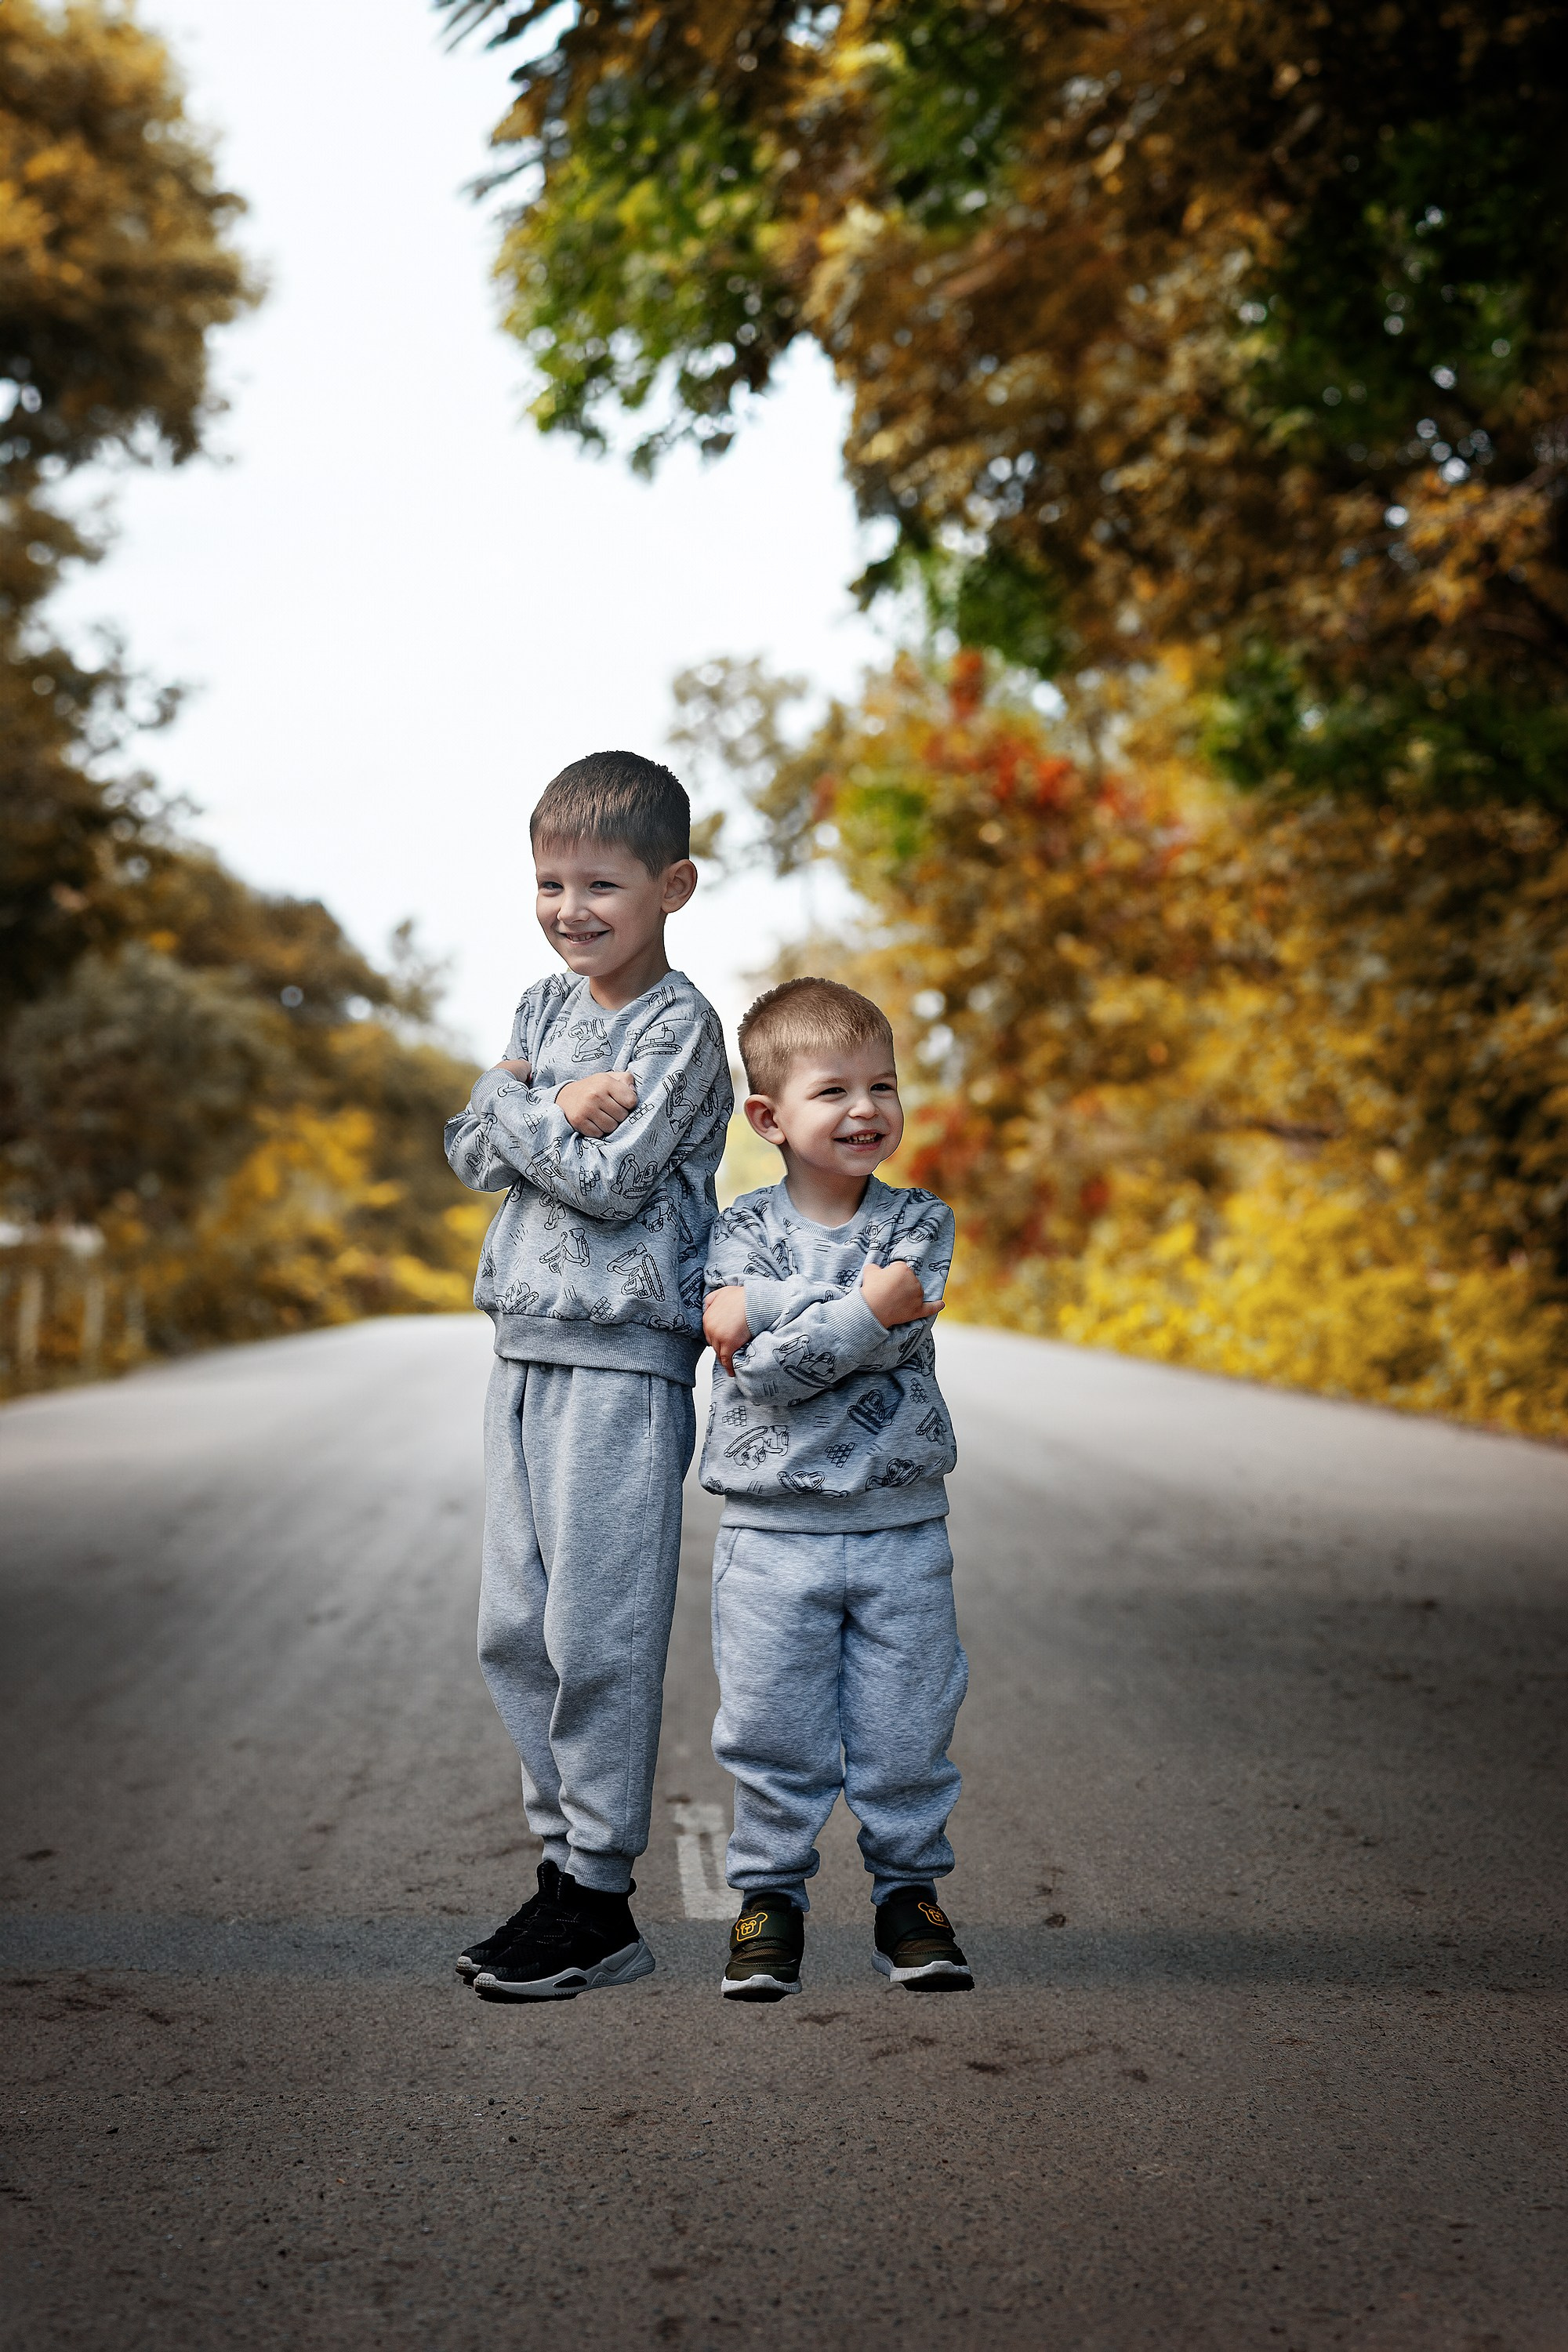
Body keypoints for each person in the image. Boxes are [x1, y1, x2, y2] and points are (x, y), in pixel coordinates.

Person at [444, 751, 731, 2000]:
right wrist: (551, 1101)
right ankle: (559, 1876)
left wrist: (524, 1115)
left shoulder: (683, 1030)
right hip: (521, 1345)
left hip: (624, 1359)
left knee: (596, 1629)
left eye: (601, 884)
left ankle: (602, 1895)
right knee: (515, 1626)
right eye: (551, 882)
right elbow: (467, 1146)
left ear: (672, 887)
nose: (571, 909)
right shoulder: (539, 1011)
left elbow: (612, 1187)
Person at [699, 976, 972, 2001]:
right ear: (769, 1117)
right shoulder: (741, 1233)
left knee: (908, 1725)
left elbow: (896, 1315)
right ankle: (770, 1896)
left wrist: (768, 1310)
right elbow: (764, 1377)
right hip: (769, 1539)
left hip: (902, 1529)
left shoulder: (923, 1221)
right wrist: (858, 1311)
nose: (867, 1109)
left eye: (884, 1085)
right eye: (835, 1092)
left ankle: (911, 1896)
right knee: (771, 1725)